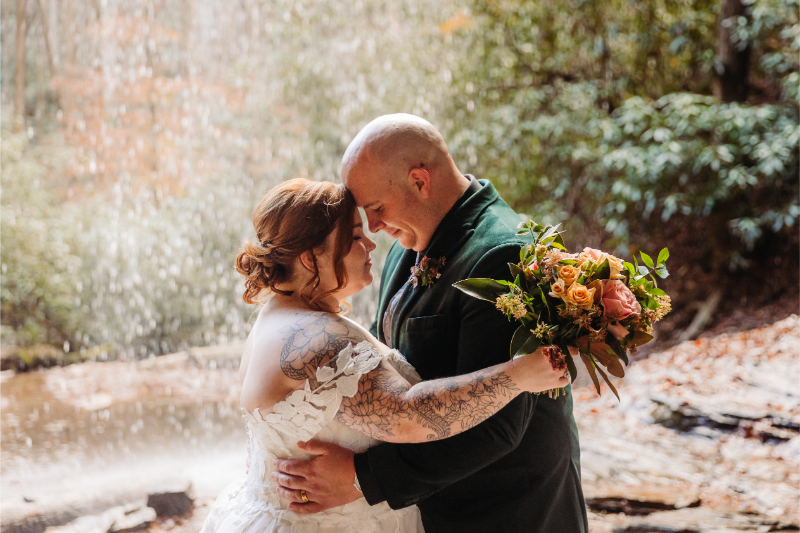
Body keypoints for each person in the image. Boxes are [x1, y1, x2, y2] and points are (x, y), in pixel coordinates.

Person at [272, 114, 589, 532]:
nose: (373, 229)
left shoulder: (503, 255)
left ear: (420, 181)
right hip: (439, 506)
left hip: (508, 511)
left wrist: (362, 477)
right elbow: (383, 357)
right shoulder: (408, 247)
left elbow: (498, 429)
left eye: (376, 209)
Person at [199, 178, 569, 533]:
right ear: (313, 257)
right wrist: (519, 375)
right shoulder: (316, 337)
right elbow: (408, 416)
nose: (371, 244)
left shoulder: (279, 315)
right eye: (355, 236)